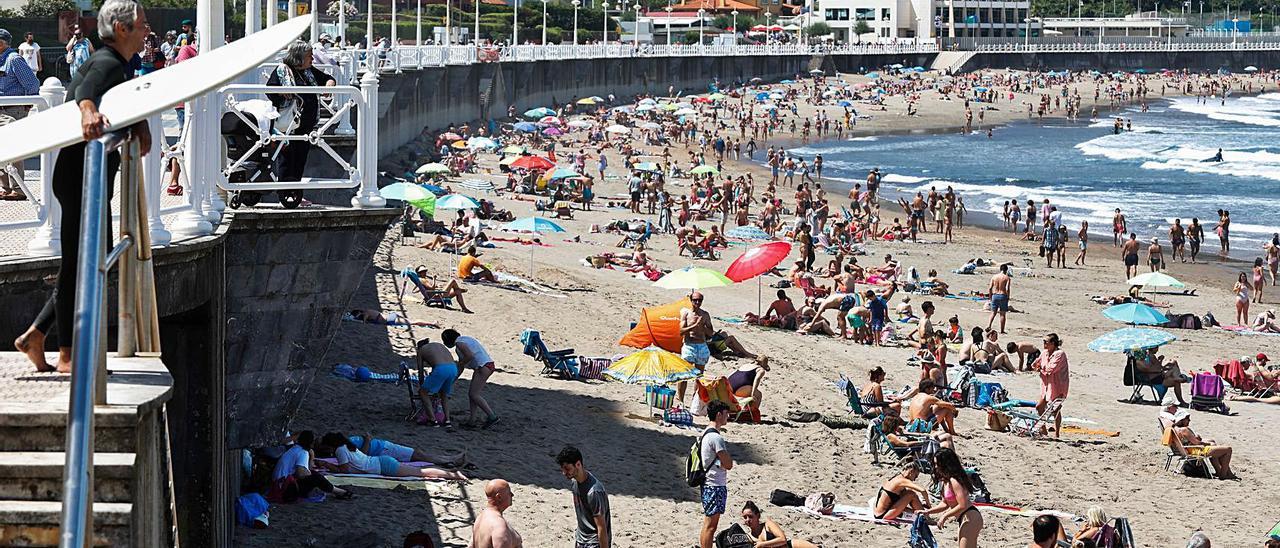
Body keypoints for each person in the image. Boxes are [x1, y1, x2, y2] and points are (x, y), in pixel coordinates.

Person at [15, 1, 151, 374]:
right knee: (83, 263)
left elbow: (117, 98)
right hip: (80, 179)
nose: (147, 30)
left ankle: (38, 335)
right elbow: (87, 91)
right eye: (142, 24)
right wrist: (89, 112)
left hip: (87, 179)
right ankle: (69, 355)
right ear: (121, 29)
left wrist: (139, 123)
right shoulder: (107, 62)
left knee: (86, 260)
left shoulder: (119, 65)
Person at [266, 40, 336, 202]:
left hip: (305, 125)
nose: (312, 59)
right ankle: (285, 194)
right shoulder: (282, 70)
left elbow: (327, 77)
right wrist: (282, 94)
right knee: (286, 159)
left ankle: (295, 194)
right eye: (309, 56)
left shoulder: (309, 70)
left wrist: (328, 85)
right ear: (299, 58)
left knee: (300, 159)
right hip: (288, 124)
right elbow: (270, 90)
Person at [316, 433, 466, 480]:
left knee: (421, 473)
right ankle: (452, 472)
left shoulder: (340, 451)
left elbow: (344, 470)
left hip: (383, 465)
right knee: (420, 470)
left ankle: (454, 475)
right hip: (381, 462)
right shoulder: (347, 445)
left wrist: (327, 465)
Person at [0, 28, 41, 202]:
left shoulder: (13, 59)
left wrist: (27, 104)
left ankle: (18, 189)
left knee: (12, 147)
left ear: (2, 43)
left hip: (11, 110)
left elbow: (32, 83)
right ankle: (6, 188)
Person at [269, 430, 352, 501]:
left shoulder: (294, 448)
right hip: (284, 488)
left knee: (314, 476)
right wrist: (311, 465)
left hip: (277, 484)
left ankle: (337, 491)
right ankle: (340, 492)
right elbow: (300, 473)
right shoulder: (303, 452)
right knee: (316, 477)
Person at [442, 328, 499, 429]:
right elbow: (461, 367)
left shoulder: (459, 343)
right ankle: (472, 421)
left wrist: (461, 363)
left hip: (483, 367)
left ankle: (492, 416)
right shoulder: (465, 340)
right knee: (472, 395)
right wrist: (453, 380)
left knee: (474, 394)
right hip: (483, 366)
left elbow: (469, 356)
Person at [924, 448, 982, 548]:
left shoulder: (954, 480)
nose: (936, 467)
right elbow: (945, 504)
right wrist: (928, 512)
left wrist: (944, 516)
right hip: (963, 518)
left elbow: (962, 505)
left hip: (970, 517)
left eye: (938, 464)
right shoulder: (946, 481)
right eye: (935, 464)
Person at [556, 445, 611, 548]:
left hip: (594, 544)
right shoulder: (575, 483)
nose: (564, 473)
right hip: (580, 540)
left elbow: (601, 528)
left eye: (567, 469)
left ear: (578, 464)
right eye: (562, 469)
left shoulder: (594, 492)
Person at [698, 400, 734, 548]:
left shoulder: (706, 433)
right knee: (711, 526)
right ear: (719, 415)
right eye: (726, 413)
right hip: (714, 484)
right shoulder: (716, 438)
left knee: (708, 523)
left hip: (708, 483)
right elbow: (728, 464)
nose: (728, 416)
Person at [1169, 410, 1237, 479]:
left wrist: (1196, 439)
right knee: (1228, 449)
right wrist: (1208, 444)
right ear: (1182, 420)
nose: (1189, 420)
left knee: (1216, 446)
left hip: (1189, 449)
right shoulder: (1184, 430)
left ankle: (1221, 472)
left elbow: (1189, 441)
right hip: (1196, 451)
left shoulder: (1176, 429)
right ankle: (1223, 475)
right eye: (1187, 419)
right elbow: (1197, 443)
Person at [676, 291, 714, 406]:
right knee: (684, 374)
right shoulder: (686, 313)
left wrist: (703, 327)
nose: (697, 302)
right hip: (689, 345)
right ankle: (681, 400)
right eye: (695, 300)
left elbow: (711, 333)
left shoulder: (705, 315)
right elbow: (681, 331)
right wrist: (694, 325)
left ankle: (694, 401)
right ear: (691, 300)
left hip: (701, 345)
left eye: (700, 300)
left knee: (699, 375)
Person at [342, 433, 466, 466]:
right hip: (383, 450)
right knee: (418, 454)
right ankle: (450, 459)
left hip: (384, 447)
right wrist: (368, 440)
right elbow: (361, 456)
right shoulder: (343, 448)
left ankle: (449, 459)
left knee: (418, 454)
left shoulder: (344, 445)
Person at [417, 338, 460, 428]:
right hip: (453, 368)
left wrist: (422, 386)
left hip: (441, 369)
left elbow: (420, 372)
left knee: (422, 392)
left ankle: (432, 420)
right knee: (443, 394)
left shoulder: (421, 350)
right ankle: (447, 421)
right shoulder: (438, 346)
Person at [739, 501, 820, 548]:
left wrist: (763, 544)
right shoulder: (749, 537)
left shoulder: (768, 525)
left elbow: (782, 539)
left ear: (758, 516)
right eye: (745, 517)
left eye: (750, 516)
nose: (748, 520)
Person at [1033, 333, 1069, 438]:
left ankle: (1057, 433)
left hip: (1058, 385)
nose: (1044, 344)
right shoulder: (1044, 353)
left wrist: (1041, 368)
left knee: (1055, 410)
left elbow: (1051, 369)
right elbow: (1035, 364)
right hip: (1046, 384)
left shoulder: (1060, 354)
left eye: (1046, 342)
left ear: (1053, 343)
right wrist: (1039, 367)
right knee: (1039, 407)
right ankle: (1043, 430)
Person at [471, 479, 523, 548]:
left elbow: (471, 546)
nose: (512, 495)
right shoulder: (499, 526)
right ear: (499, 497)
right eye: (509, 492)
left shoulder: (480, 518)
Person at [399, 265, 473, 313]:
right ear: (419, 273)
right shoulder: (422, 280)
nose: (425, 272)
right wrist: (434, 279)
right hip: (436, 296)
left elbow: (427, 288)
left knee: (457, 292)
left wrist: (436, 286)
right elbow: (432, 288)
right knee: (452, 281)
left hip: (435, 294)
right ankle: (459, 289)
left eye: (425, 271)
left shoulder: (421, 280)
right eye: (423, 272)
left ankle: (464, 308)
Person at [986, 264, 1011, 334]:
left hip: (995, 295)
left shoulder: (994, 277)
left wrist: (990, 296)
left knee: (993, 312)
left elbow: (990, 288)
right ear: (1006, 270)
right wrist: (1008, 297)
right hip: (1003, 295)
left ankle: (989, 325)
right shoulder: (1007, 278)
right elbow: (1007, 289)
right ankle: (1002, 330)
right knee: (1002, 314)